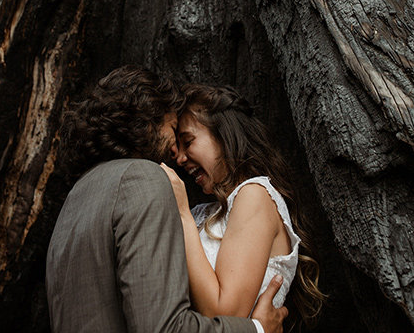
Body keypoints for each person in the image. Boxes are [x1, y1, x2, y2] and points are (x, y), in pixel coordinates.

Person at [45, 65, 288, 333]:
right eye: (174, 130)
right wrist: (257, 329)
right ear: (148, 120)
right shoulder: (142, 179)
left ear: (225, 134)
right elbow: (163, 325)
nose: (176, 153)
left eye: (187, 141)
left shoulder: (76, 199)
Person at [161, 83, 325, 328]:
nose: (181, 158)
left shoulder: (255, 195)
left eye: (188, 141)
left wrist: (183, 214)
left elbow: (225, 317)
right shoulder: (204, 213)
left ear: (224, 135)